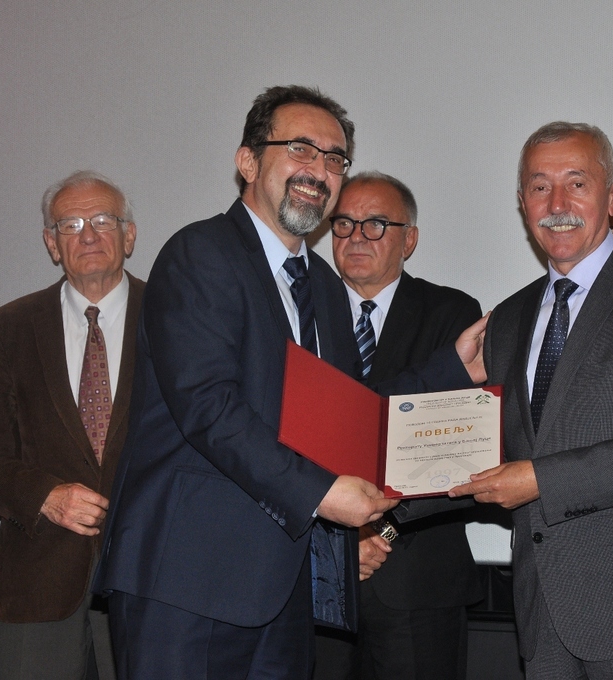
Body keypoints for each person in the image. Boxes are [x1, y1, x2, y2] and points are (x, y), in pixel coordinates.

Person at [95, 85, 487, 679]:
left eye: (334, 158)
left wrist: (449, 369)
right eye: (300, 149)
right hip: (186, 581)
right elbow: (209, 408)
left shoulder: (324, 286)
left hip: (284, 592)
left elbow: (347, 416)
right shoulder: (199, 253)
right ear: (248, 161)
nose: (319, 170)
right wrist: (322, 493)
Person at [450, 122, 613, 679]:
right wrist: (386, 493)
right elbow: (494, 445)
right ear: (522, 201)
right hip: (541, 612)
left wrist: (539, 480)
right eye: (539, 186)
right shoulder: (510, 317)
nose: (557, 205)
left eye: (577, 183)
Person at [0, 171, 143, 680]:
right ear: (51, 244)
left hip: (149, 583)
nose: (88, 235)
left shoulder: (173, 317)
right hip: (38, 582)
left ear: (129, 235)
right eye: (70, 225)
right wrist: (46, 496)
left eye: (103, 220)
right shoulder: (9, 328)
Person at [314, 172, 484, 680]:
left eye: (375, 224)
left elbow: (458, 452)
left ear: (409, 239)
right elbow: (294, 438)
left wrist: (375, 529)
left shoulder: (452, 315)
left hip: (418, 577)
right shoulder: (301, 316)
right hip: (317, 579)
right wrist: (339, 543)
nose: (356, 237)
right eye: (344, 223)